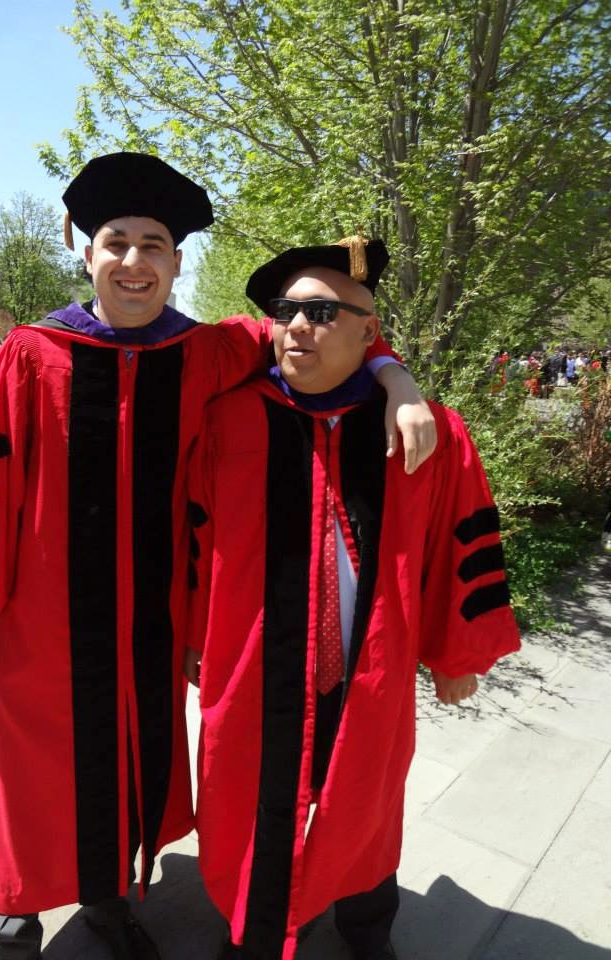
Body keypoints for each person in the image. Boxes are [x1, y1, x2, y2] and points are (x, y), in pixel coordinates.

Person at [0, 154, 436, 960]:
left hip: (157, 625)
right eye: (116, 242)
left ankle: (110, 899)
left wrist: (396, 377)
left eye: (152, 245)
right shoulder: (31, 355)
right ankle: (14, 915)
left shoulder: (210, 351)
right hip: (46, 625)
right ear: (87, 253)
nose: (134, 261)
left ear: (177, 262)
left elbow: (327, 325)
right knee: (34, 773)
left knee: (136, 768)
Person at [184, 236, 521, 960]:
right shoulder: (229, 421)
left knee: (367, 802)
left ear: (371, 334)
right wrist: (190, 636)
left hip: (370, 669)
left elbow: (459, 544)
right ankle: (257, 930)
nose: (298, 326)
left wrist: (457, 654)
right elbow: (193, 541)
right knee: (254, 805)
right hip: (256, 667)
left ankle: (366, 928)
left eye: (322, 313)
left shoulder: (428, 431)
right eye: (286, 311)